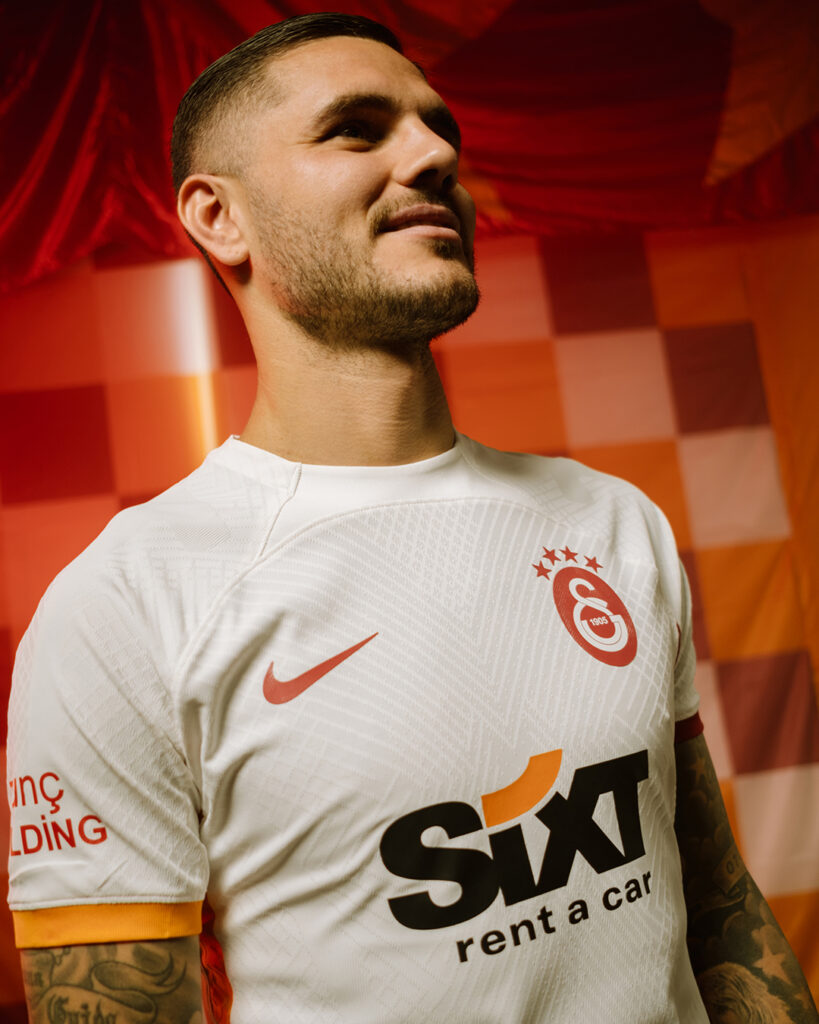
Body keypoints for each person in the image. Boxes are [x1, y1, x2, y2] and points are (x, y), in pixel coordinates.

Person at [7, 12, 818, 1024]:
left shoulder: (613, 522)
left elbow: (721, 913)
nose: (434, 156)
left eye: (441, 131)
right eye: (356, 128)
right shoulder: (122, 606)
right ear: (219, 217)